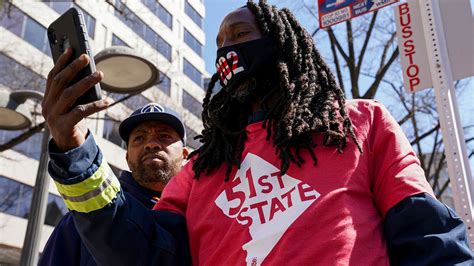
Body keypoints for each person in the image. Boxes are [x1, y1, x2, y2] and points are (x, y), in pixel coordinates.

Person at [42, 0, 473, 265]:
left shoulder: (362, 123)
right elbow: (147, 254)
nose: (228, 51)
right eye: (219, 45)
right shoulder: (199, 169)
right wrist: (74, 149)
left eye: (241, 35)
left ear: (282, 45)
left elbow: (429, 237)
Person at [39, 103, 191, 266]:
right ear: (127, 157)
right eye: (139, 138)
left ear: (184, 155)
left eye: (164, 136)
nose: (151, 144)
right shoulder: (85, 218)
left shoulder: (200, 213)